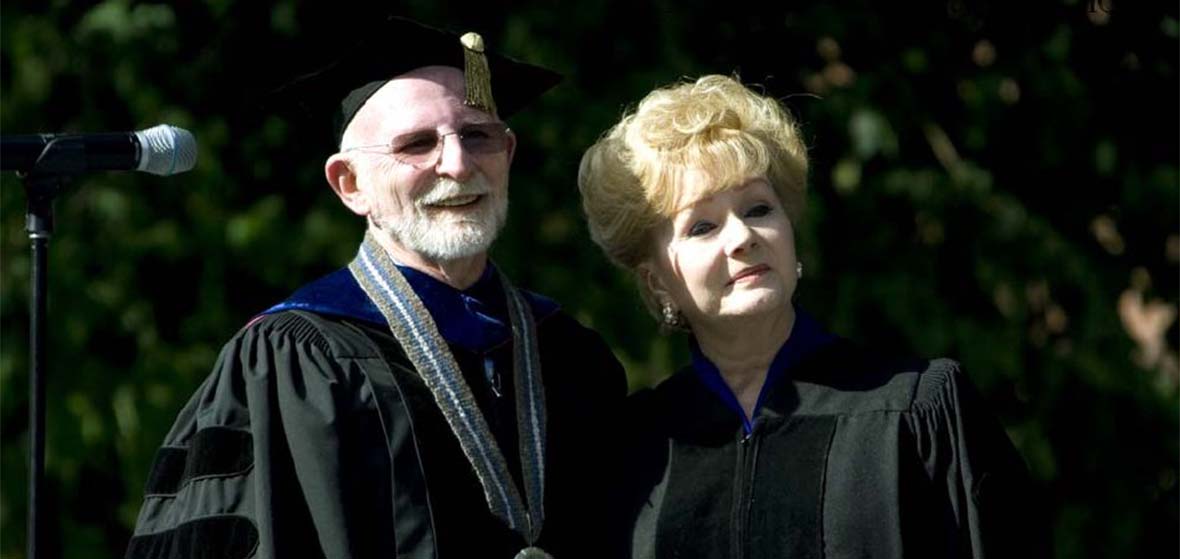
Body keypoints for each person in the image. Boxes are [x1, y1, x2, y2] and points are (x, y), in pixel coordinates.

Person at [125, 17, 626, 559]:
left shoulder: (572, 356)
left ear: (507, 153)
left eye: (476, 135)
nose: (457, 165)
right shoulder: (293, 364)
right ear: (350, 184)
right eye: (416, 145)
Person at [578, 74, 1043, 558]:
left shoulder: (915, 411)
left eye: (758, 208)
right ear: (656, 280)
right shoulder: (635, 451)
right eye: (702, 226)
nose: (742, 237)